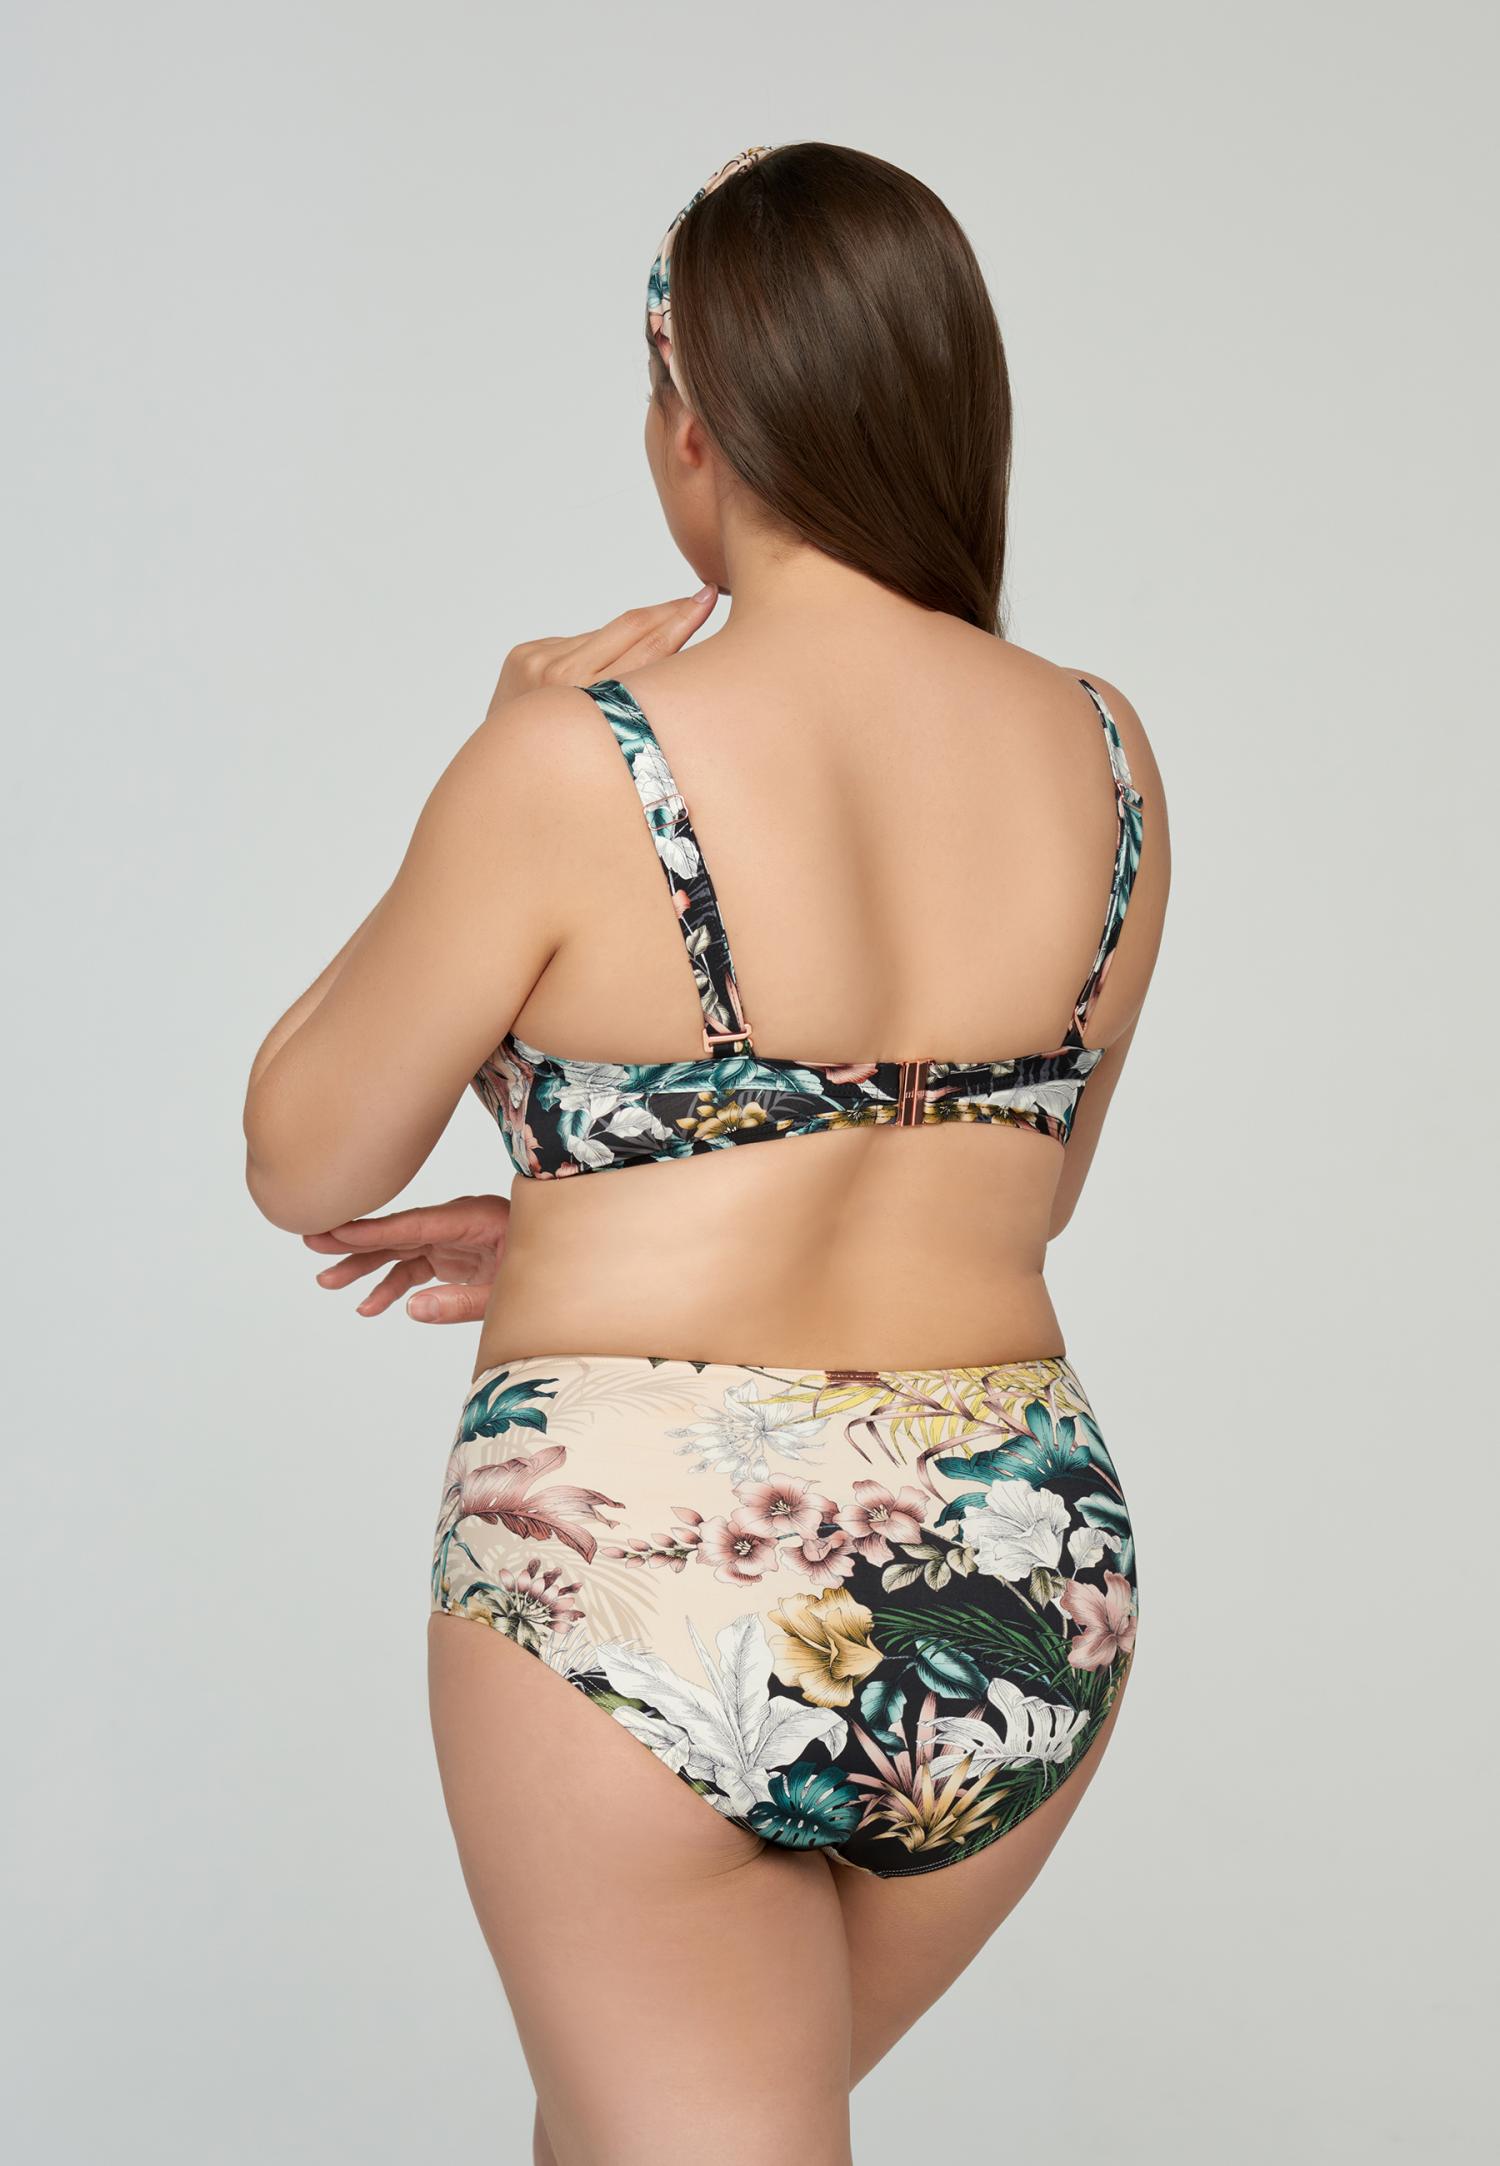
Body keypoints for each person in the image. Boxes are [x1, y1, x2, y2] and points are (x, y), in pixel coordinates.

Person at [244, 141, 1171, 2166]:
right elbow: (1006, 1174)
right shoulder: (1107, 750)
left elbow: (304, 1148)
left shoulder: (578, 752)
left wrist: (481, 745)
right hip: (1019, 1560)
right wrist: (614, 1200)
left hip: (649, 1559)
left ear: (695, 416)